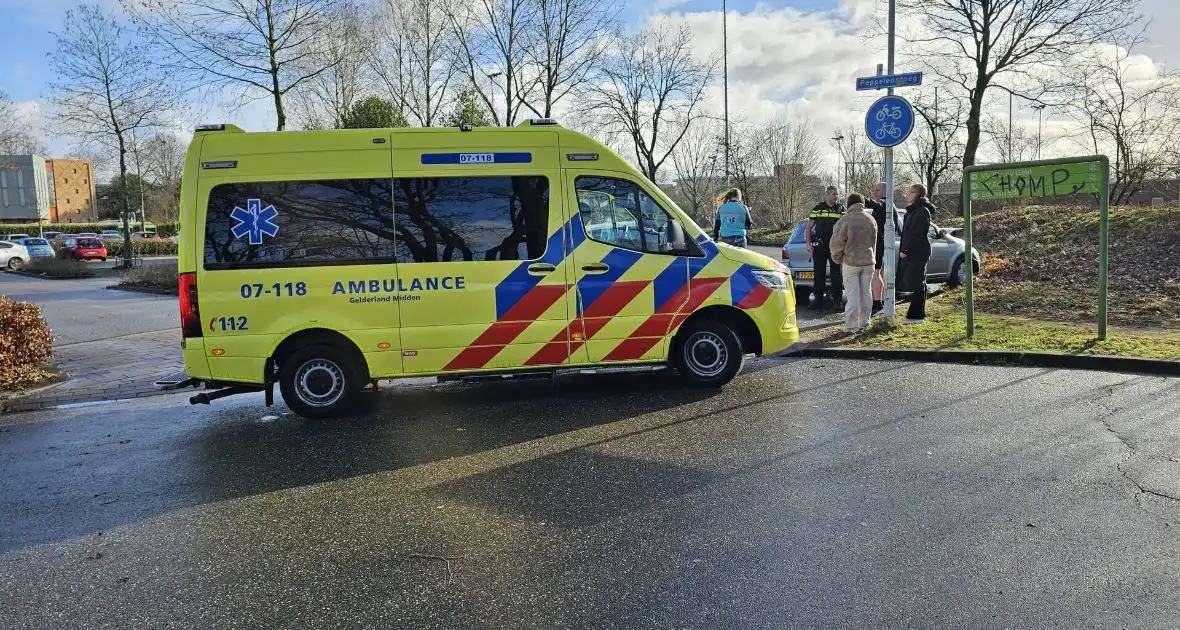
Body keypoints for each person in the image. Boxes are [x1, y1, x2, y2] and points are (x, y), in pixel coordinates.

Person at [829, 193, 877, 332]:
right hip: (868, 261)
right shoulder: (871, 219)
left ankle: (851, 325)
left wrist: (836, 258)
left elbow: (837, 242)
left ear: (849, 204)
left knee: (852, 295)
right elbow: (874, 242)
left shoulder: (845, 220)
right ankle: (865, 323)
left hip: (851, 261)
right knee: (867, 293)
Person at [898, 183, 935, 324]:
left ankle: (917, 315)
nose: (907, 194)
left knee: (917, 281)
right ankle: (916, 314)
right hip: (915, 250)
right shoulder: (914, 210)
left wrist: (906, 250)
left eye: (910, 191)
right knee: (916, 280)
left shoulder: (921, 211)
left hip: (918, 251)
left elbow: (917, 233)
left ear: (917, 194)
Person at [806, 186, 845, 311]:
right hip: (820, 245)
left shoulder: (840, 209)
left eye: (837, 194)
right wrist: (808, 243)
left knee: (836, 274)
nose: (836, 196)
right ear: (828, 194)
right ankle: (818, 300)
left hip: (835, 246)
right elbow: (809, 227)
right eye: (834, 194)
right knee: (819, 274)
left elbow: (846, 228)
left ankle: (837, 301)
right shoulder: (818, 208)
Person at [862, 182, 895, 314]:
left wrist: (858, 198)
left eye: (877, 190)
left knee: (876, 273)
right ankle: (881, 301)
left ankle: (877, 303)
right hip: (883, 242)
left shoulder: (884, 204)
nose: (874, 192)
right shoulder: (888, 205)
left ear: (886, 192)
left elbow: (874, 203)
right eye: (873, 190)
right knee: (880, 273)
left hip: (880, 243)